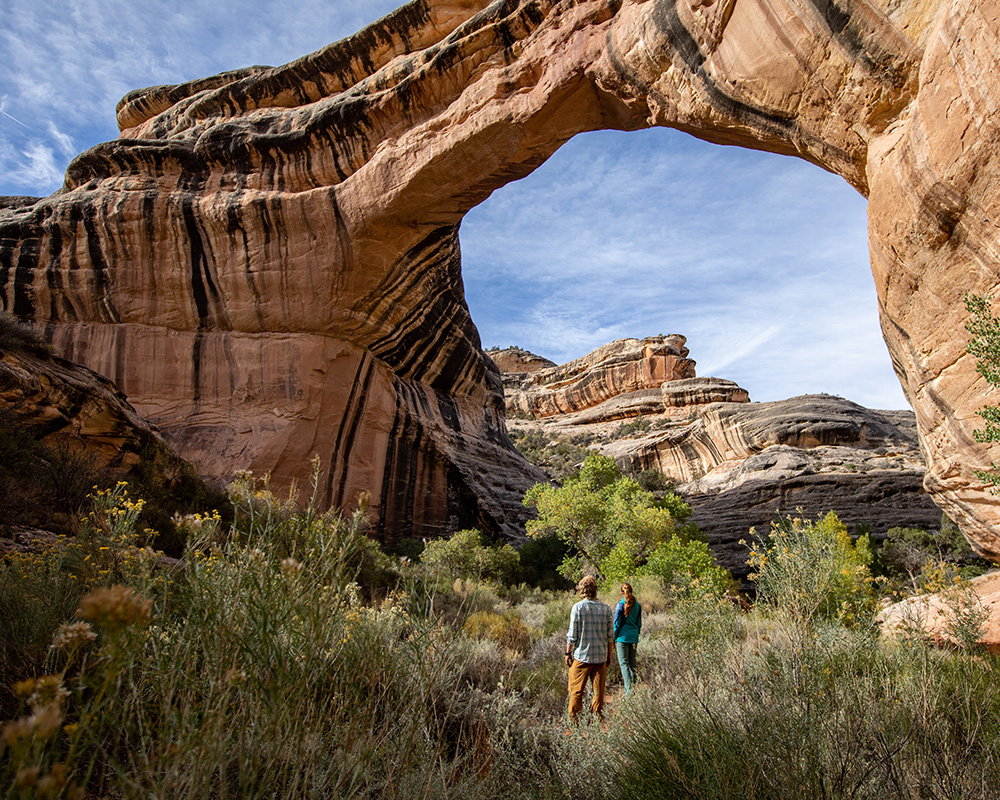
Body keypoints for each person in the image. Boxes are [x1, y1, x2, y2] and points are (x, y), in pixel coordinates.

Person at [565, 575, 613, 723]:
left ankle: (574, 724)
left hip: (582, 656)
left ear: (582, 589)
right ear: (595, 589)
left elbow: (572, 635)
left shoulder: (578, 608)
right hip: (600, 657)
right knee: (598, 692)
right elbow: (610, 637)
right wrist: (609, 656)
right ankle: (596, 722)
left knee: (575, 691)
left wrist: (568, 653)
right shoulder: (606, 608)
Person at [614, 582, 642, 697]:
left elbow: (616, 623)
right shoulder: (638, 605)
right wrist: (636, 635)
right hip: (633, 637)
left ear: (621, 592)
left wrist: (614, 638)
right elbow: (639, 623)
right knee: (632, 663)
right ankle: (633, 688)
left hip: (622, 638)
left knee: (624, 663)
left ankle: (629, 692)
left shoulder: (620, 605)